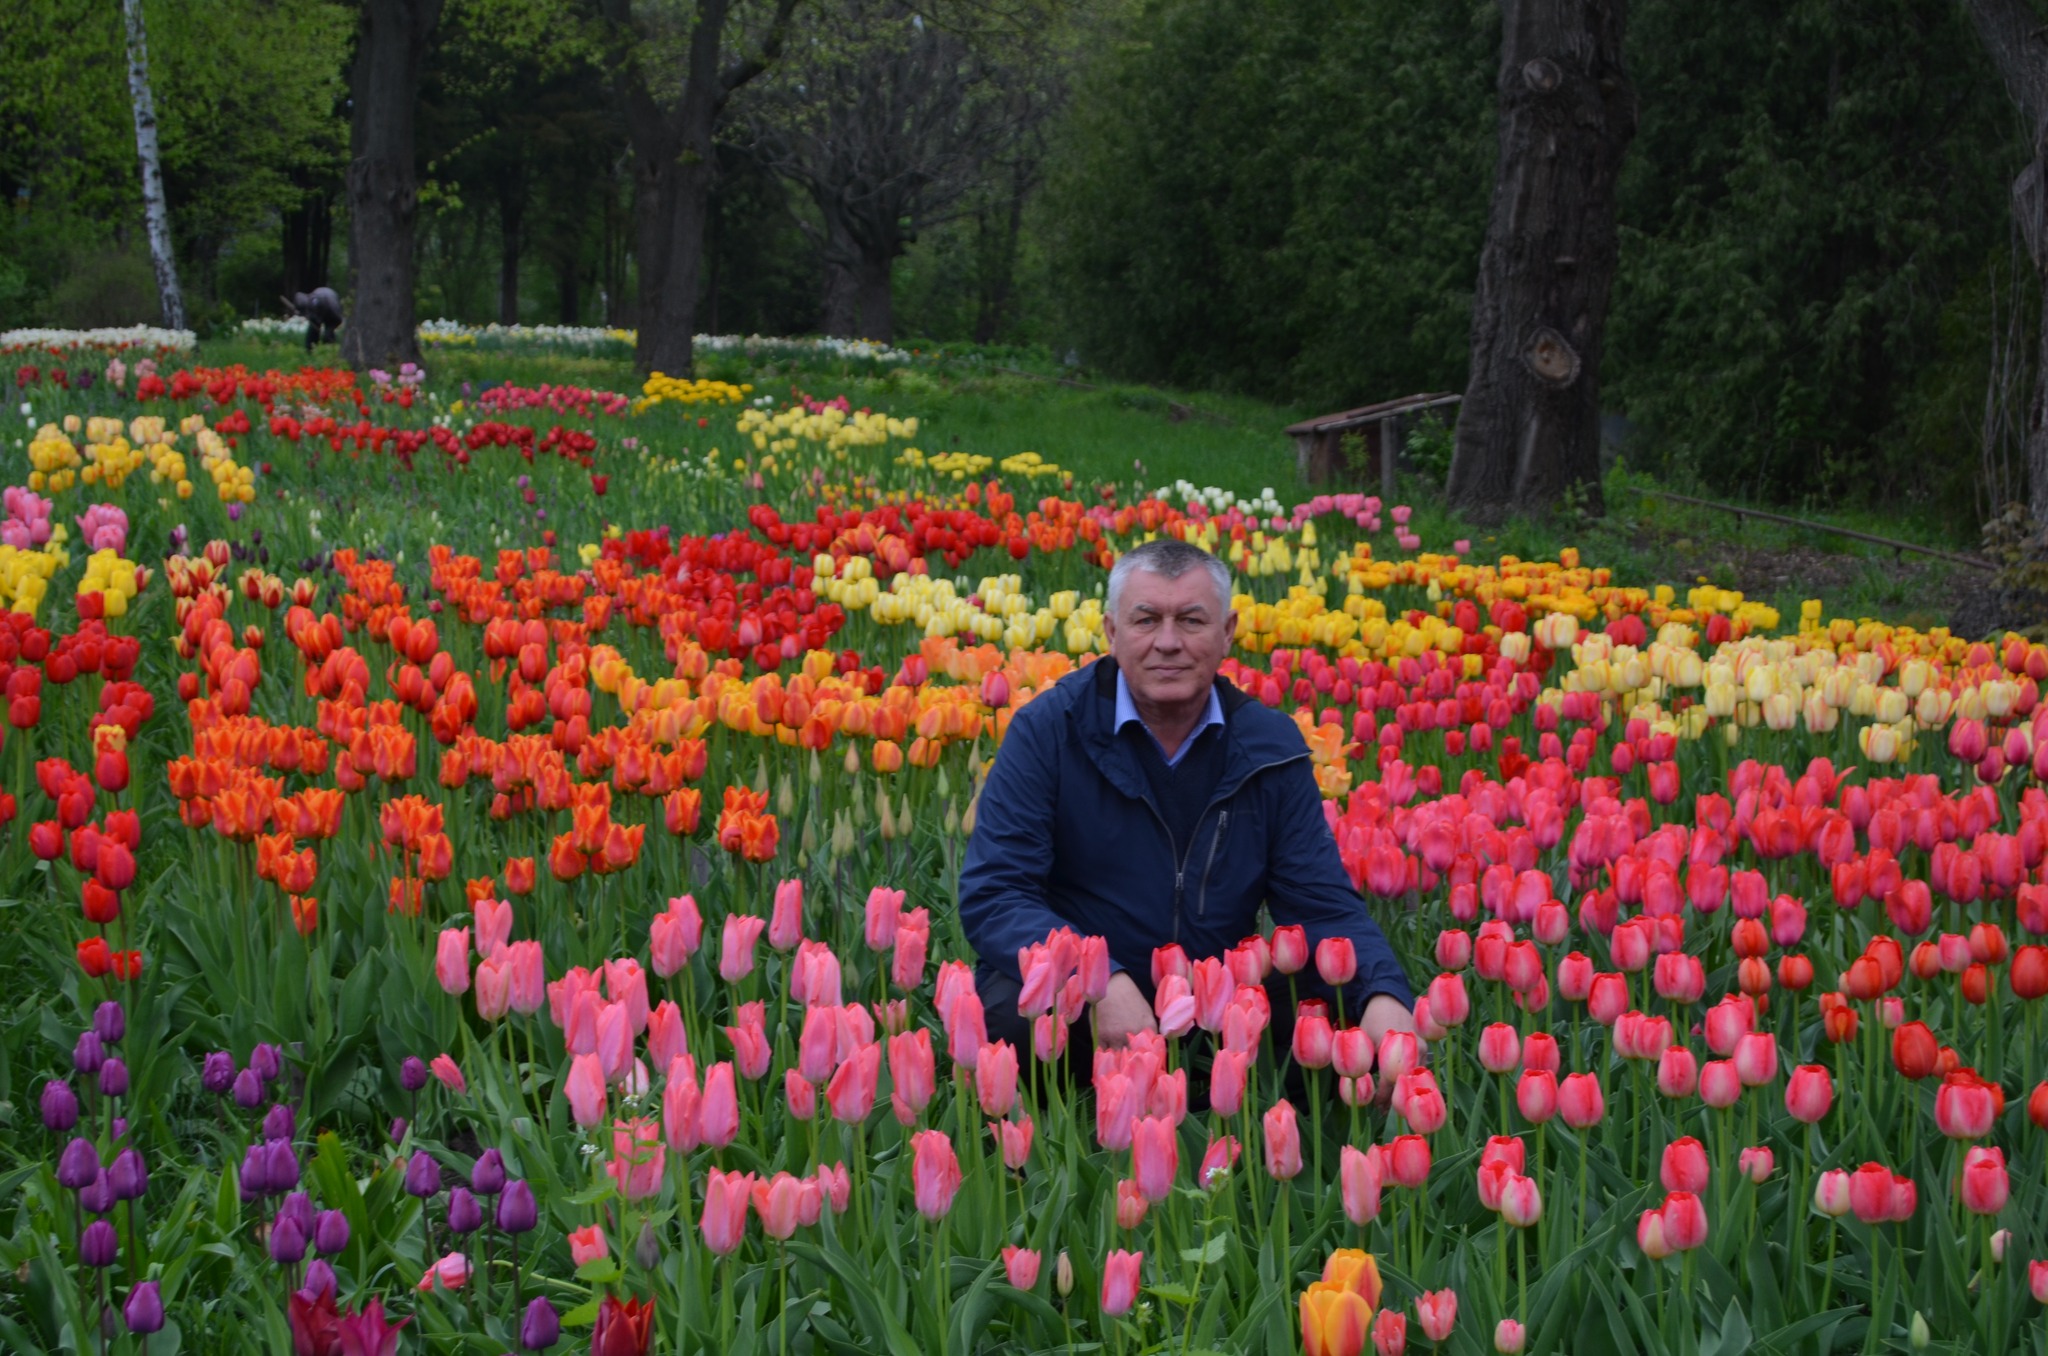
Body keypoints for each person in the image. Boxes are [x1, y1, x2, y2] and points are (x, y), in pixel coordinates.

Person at [959, 537, 1416, 1069]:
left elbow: (1320, 905)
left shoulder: (1268, 748)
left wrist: (1384, 996)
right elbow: (998, 894)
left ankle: (1234, 1112)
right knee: (1016, 1017)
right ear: (1111, 632)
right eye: (1146, 620)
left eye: (1192, 621)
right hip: (1088, 993)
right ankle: (1053, 1140)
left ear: (1227, 634)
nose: (1168, 642)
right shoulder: (1048, 732)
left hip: (1217, 994)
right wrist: (1097, 976)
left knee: (1339, 1008)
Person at [285, 287, 344, 353]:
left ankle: (324, 349)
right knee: (316, 329)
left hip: (332, 312)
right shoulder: (313, 298)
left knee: (326, 333)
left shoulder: (315, 301)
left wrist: (316, 321)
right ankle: (313, 349)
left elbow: (321, 315)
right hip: (330, 308)